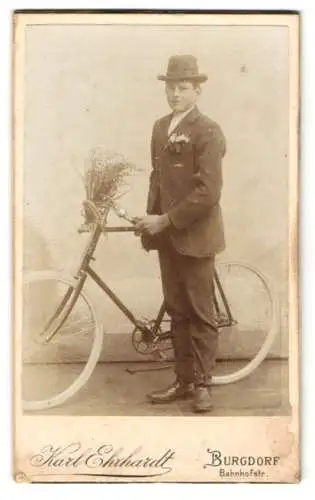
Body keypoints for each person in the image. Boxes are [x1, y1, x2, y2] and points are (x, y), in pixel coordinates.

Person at [135, 54, 226, 413]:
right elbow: (157, 179)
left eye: (183, 87)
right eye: (170, 87)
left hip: (197, 236)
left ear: (197, 91)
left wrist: (166, 220)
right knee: (177, 310)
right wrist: (150, 222)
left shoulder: (208, 130)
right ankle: (184, 380)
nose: (175, 94)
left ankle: (203, 385)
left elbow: (208, 191)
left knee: (201, 313)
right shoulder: (160, 127)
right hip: (167, 236)